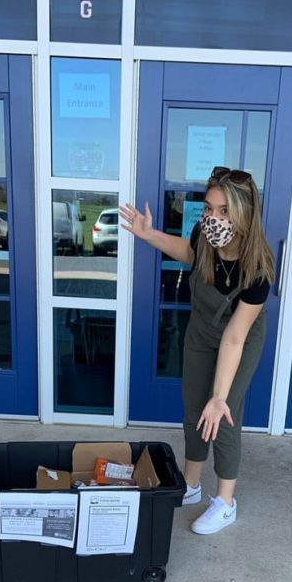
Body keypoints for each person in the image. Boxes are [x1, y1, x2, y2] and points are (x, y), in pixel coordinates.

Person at [120, 166, 274, 534]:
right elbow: (189, 253)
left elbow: (235, 338)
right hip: (201, 330)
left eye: (224, 212)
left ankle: (225, 502)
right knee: (193, 410)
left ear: (245, 215)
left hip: (239, 338)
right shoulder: (205, 237)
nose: (213, 219)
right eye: (208, 208)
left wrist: (219, 396)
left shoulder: (258, 269)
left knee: (221, 417)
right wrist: (149, 234)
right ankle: (190, 486)